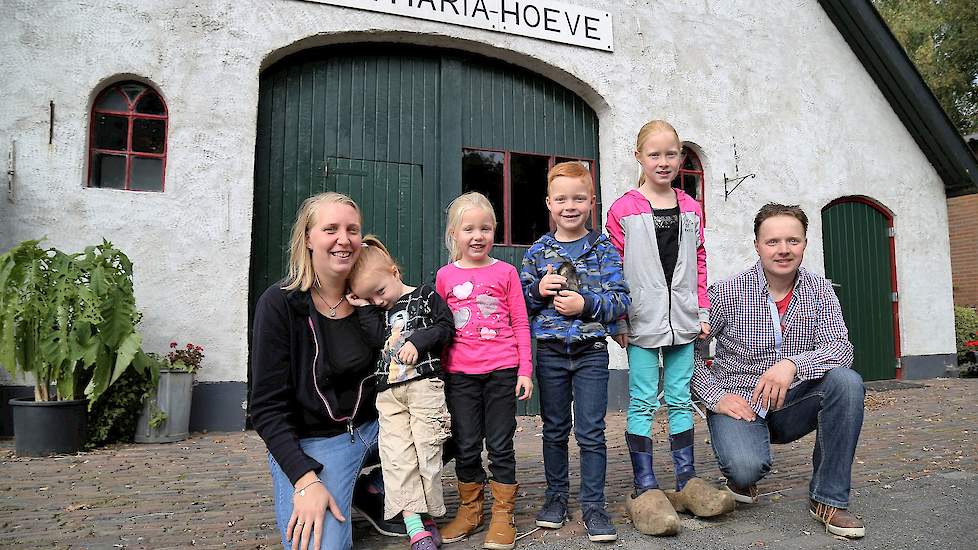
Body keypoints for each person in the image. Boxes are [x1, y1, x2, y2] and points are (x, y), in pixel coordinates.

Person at [691, 203, 866, 538]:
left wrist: (793, 364)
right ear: (757, 245)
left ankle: (827, 500)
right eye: (773, 242)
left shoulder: (820, 290)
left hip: (793, 402)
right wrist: (715, 397)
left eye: (793, 241)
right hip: (740, 402)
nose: (783, 250)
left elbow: (841, 349)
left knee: (846, 383)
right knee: (744, 469)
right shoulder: (726, 292)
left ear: (804, 243)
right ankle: (742, 469)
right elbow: (690, 355)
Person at [250, 192, 403, 550]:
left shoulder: (374, 296)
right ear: (308, 238)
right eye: (330, 229)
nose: (343, 239)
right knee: (322, 546)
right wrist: (304, 479)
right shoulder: (280, 304)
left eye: (352, 229)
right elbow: (266, 408)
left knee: (460, 409)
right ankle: (337, 485)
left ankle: (373, 488)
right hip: (315, 444)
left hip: (380, 426)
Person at [606, 120, 734, 537]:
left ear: (681, 157)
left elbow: (699, 264)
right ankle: (645, 485)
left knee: (681, 398)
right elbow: (614, 272)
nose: (664, 162)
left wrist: (703, 311)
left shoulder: (691, 208)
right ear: (639, 157)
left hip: (683, 319)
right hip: (642, 320)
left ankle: (685, 480)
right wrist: (619, 318)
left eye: (671, 154)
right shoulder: (623, 209)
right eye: (655, 154)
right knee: (643, 401)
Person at [519, 161, 630, 542]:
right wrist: (537, 291)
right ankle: (555, 498)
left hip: (591, 352)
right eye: (562, 199)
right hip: (550, 351)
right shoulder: (538, 252)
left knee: (592, 431)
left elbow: (620, 300)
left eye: (579, 198)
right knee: (554, 429)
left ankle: (594, 505)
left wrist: (586, 305)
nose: (570, 206)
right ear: (548, 203)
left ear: (591, 202)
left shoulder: (604, 249)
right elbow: (520, 303)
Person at [435, 191, 533, 550]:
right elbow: (442, 328)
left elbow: (520, 322)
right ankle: (470, 511)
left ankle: (503, 515)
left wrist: (525, 369)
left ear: (494, 231)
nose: (478, 236)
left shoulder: (505, 272)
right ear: (454, 234)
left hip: (502, 371)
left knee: (501, 443)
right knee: (466, 443)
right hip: (459, 374)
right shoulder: (445, 277)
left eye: (486, 228)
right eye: (469, 229)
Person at [347, 235, 455, 550]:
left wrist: (418, 342)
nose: (379, 301)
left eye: (379, 292)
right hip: (389, 395)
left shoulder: (425, 296)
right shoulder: (376, 312)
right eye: (370, 297)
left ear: (394, 272)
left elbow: (446, 327)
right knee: (398, 458)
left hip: (424, 388)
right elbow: (373, 340)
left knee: (428, 453)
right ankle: (413, 526)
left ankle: (428, 515)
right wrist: (365, 306)